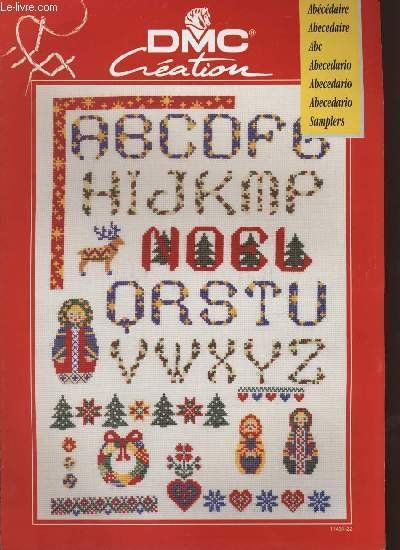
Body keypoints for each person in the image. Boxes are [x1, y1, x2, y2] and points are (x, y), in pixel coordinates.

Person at [52, 298, 99, 383]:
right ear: (66, 315)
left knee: (85, 372)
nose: (75, 317)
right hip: (65, 363)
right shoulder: (63, 330)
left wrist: (91, 355)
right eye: (71, 314)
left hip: (84, 363)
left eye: (79, 314)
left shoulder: (88, 330)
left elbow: (92, 344)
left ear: (85, 315)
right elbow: (58, 344)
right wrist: (59, 356)